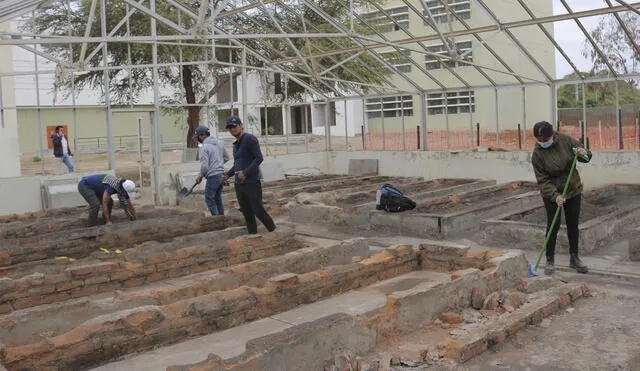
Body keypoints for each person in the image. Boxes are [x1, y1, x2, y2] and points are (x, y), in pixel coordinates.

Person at [531, 121, 592, 275]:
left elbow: (586, 156)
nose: (542, 143)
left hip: (572, 188)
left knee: (573, 224)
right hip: (551, 191)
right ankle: (550, 259)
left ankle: (574, 258)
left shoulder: (566, 141)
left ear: (552, 135)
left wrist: (582, 153)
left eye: (545, 139)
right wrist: (555, 195)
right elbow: (542, 179)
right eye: (540, 140)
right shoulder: (537, 153)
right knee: (554, 224)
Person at [223, 115, 276, 234]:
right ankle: (252, 235)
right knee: (246, 212)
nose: (232, 129)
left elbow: (259, 158)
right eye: (230, 127)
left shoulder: (250, 139)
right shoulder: (236, 144)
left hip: (251, 183)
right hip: (239, 184)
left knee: (258, 210)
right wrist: (228, 174)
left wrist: (246, 172)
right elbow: (237, 164)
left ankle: (274, 231)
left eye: (234, 126)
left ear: (241, 126)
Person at [193, 125, 230, 216]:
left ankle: (217, 219)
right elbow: (226, 158)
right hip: (221, 176)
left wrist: (200, 176)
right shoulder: (219, 143)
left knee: (209, 199)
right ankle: (222, 219)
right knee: (217, 198)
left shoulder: (204, 147)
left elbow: (205, 167)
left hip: (213, 177)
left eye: (198, 137)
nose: (198, 139)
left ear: (202, 136)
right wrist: (218, 165)